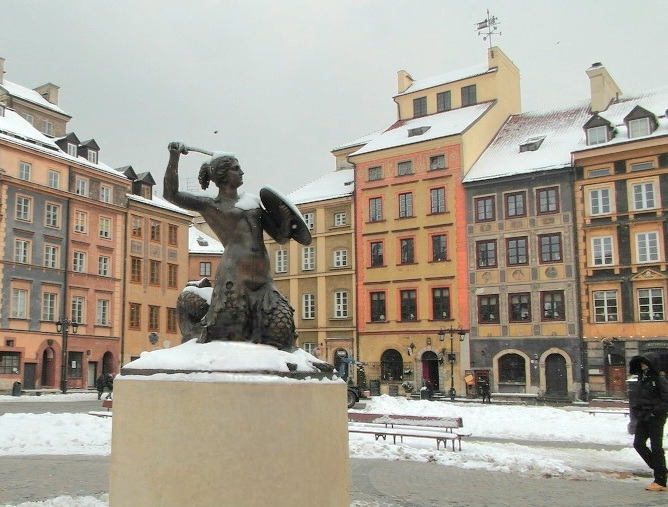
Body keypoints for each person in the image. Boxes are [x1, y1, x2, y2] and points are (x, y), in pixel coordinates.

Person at [164, 142, 309, 352]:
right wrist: (174, 157)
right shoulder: (211, 205)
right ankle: (196, 320)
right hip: (234, 279)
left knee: (281, 330)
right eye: (236, 168)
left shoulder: (253, 203)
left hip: (263, 282)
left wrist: (286, 221)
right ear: (222, 174)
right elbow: (171, 194)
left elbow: (280, 237)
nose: (241, 172)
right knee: (231, 335)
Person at [629, 353, 668, 492]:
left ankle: (660, 481)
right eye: (641, 363)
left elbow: (666, 398)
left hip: (655, 417)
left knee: (656, 447)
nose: (642, 366)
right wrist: (637, 410)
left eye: (645, 363)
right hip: (643, 416)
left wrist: (655, 412)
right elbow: (639, 397)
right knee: (638, 444)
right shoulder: (642, 378)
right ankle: (661, 470)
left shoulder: (659, 379)